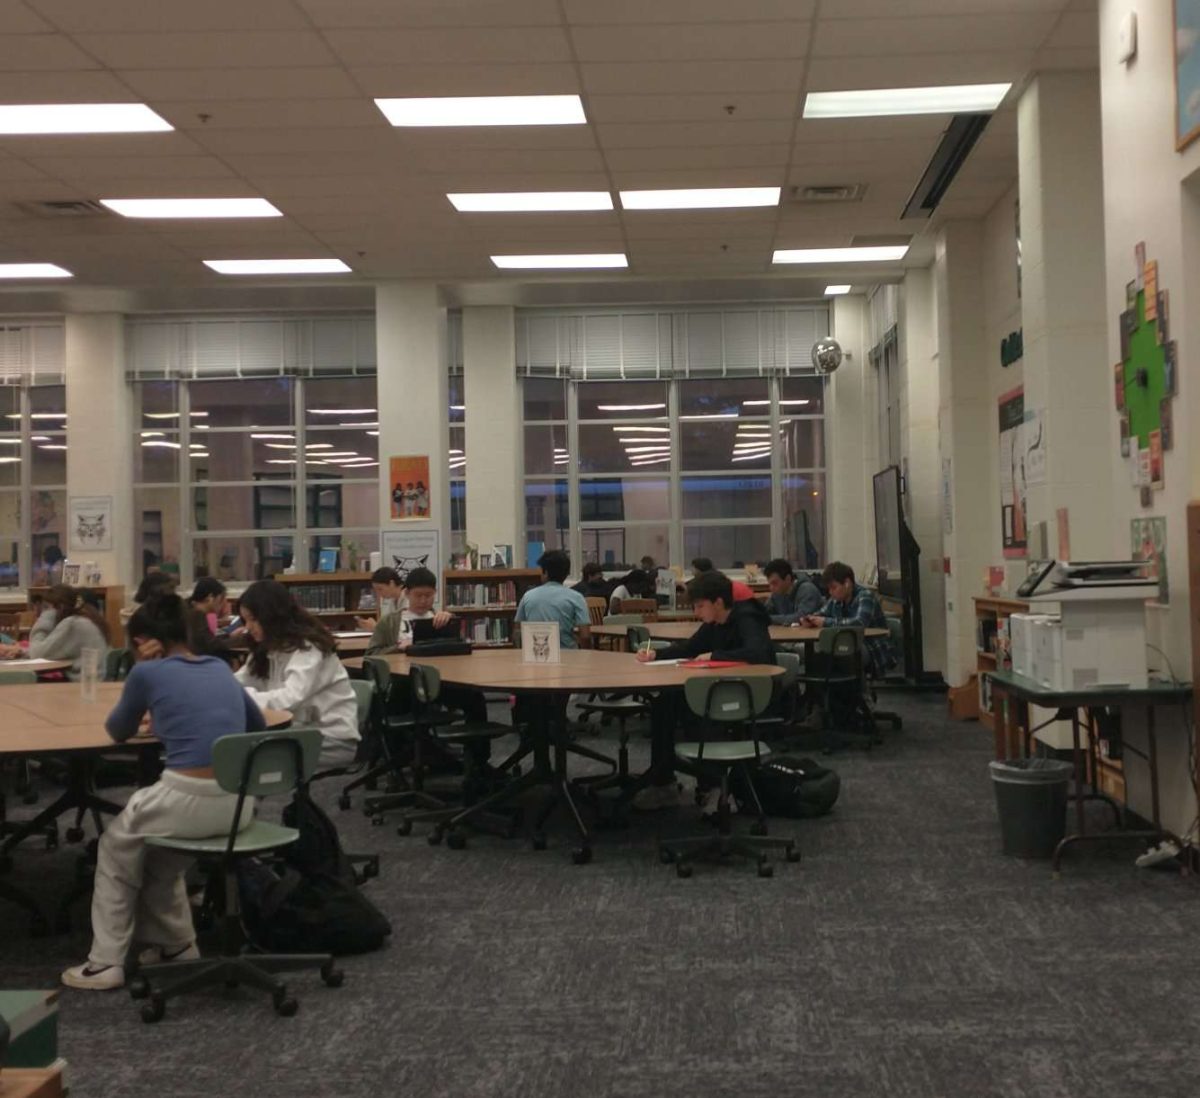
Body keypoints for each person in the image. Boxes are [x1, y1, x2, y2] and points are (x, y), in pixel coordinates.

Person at [60, 594, 265, 991]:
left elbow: (117, 731)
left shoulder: (146, 674)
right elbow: (254, 724)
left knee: (116, 850)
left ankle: (104, 963)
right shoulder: (220, 669)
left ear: (142, 642)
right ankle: (177, 946)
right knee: (162, 858)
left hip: (185, 797)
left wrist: (145, 675)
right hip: (238, 803)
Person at [633, 570, 776, 810]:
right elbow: (691, 648)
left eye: (700, 606)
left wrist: (715, 656)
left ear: (718, 603)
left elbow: (758, 653)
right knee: (665, 701)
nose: (696, 612)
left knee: (693, 707)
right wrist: (656, 655)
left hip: (748, 697)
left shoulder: (748, 618)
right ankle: (664, 780)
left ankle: (712, 786)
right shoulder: (715, 623)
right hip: (721, 692)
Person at [235, 579, 360, 769]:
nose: (248, 627)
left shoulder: (309, 647)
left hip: (331, 738)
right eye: (245, 620)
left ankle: (248, 798)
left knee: (251, 756)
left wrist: (244, 699)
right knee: (239, 747)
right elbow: (239, 681)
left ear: (272, 617)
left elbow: (291, 698)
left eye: (253, 619)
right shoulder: (268, 648)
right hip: (298, 730)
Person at [801, 561, 897, 678]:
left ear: (847, 583)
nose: (831, 592)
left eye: (833, 587)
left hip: (870, 648)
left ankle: (851, 693)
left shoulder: (865, 596)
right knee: (817, 660)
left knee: (829, 660)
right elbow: (821, 613)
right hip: (844, 645)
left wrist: (825, 622)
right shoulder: (836, 599)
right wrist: (810, 619)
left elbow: (859, 623)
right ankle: (822, 695)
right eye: (829, 589)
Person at [0, 584, 109, 679]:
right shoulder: (83, 620)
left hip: (80, 685)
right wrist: (21, 651)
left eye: (46, 607)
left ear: (59, 607)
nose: (42, 612)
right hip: (89, 682)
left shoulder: (72, 624)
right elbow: (50, 650)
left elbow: (38, 653)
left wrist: (46, 616)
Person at [366, 566, 458, 654]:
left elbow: (457, 649)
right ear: (407, 593)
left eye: (428, 595)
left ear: (435, 593)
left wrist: (450, 621)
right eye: (418, 595)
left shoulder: (440, 619)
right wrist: (397, 648)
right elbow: (371, 653)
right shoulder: (389, 621)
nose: (423, 601)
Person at [514, 549, 589, 650]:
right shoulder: (576, 598)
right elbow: (585, 636)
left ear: (545, 573)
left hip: (535, 656)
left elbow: (517, 631)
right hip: (568, 656)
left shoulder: (528, 596)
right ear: (567, 574)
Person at [763, 558, 823, 624]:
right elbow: (763, 613)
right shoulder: (777, 594)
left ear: (788, 578)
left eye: (775, 583)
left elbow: (802, 618)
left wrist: (767, 619)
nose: (771, 588)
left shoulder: (807, 590)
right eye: (770, 584)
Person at [354, 566, 407, 632]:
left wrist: (376, 627)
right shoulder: (391, 600)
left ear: (391, 583)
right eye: (376, 590)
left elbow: (404, 630)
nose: (379, 594)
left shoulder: (409, 598)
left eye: (380, 589)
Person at [690, 557, 755, 602]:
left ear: (699, 569)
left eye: (693, 567)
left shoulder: (708, 582)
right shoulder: (718, 576)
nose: (691, 570)